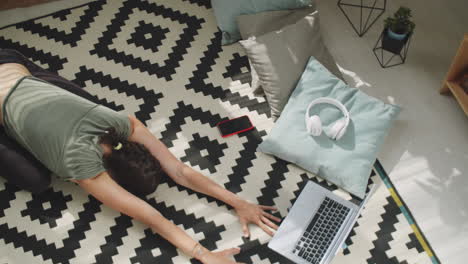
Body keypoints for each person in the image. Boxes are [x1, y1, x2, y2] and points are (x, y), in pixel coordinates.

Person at [0, 58, 280, 263]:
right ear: (110, 175)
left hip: (15, 66)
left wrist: (239, 202)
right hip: (8, 73)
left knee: (83, 103)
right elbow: (149, 215)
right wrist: (204, 255)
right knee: (36, 180)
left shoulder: (120, 124)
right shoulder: (82, 166)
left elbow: (180, 171)